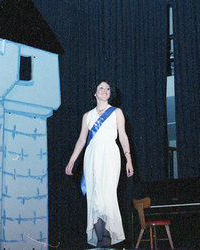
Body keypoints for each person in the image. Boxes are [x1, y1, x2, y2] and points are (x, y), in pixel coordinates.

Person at [65, 80, 134, 247]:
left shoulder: (117, 112)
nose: (105, 90)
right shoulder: (87, 116)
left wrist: (129, 159)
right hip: (92, 157)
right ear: (95, 93)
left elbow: (123, 136)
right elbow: (82, 140)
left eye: (108, 88)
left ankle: (107, 241)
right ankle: (101, 242)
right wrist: (72, 161)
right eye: (101, 88)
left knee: (106, 197)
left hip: (110, 155)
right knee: (94, 199)